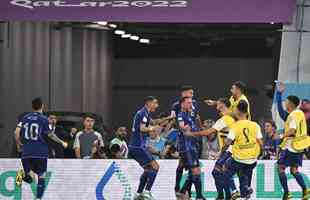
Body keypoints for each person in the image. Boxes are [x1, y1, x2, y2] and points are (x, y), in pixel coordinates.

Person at [14, 98, 68, 200]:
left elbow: (16, 133)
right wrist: (62, 142)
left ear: (32, 106)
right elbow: (51, 135)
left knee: (31, 176)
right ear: (42, 106)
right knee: (41, 177)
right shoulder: (44, 119)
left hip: (26, 152)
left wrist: (18, 146)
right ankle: (38, 198)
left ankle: (22, 174)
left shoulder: (24, 118)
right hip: (40, 152)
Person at [185, 98, 239, 200]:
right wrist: (220, 152)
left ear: (222, 105)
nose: (216, 106)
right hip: (229, 149)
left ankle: (230, 193)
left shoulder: (224, 120)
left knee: (218, 172)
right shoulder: (231, 117)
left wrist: (191, 134)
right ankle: (226, 195)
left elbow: (208, 132)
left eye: (217, 104)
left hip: (230, 150)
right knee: (221, 172)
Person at [129, 96, 172, 200]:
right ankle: (147, 192)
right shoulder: (143, 113)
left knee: (148, 169)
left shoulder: (144, 113)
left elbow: (153, 122)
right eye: (155, 103)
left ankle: (139, 193)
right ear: (149, 103)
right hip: (138, 146)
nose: (157, 106)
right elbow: (142, 128)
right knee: (155, 167)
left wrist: (168, 118)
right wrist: (153, 129)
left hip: (134, 146)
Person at [221, 100, 263, 199]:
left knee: (225, 169)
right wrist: (259, 154)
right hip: (252, 159)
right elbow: (261, 143)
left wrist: (222, 152)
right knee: (244, 177)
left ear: (238, 111)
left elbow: (227, 143)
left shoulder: (236, 126)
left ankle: (234, 191)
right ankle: (245, 190)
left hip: (239, 159)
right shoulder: (255, 125)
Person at [171, 85, 202, 198]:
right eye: (190, 93)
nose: (192, 96)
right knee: (183, 164)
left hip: (193, 137)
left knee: (192, 167)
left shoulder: (194, 104)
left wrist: (200, 127)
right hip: (183, 138)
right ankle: (178, 187)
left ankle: (186, 189)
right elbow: (174, 119)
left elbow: (196, 117)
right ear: (184, 94)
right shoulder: (177, 106)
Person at [277, 95, 310, 200]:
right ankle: (305, 191)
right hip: (299, 146)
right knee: (294, 170)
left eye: (286, 101)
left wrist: (281, 136)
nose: (285, 103)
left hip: (291, 146)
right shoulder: (300, 113)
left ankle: (287, 194)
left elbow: (292, 130)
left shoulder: (292, 115)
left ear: (290, 103)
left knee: (280, 168)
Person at [176, 97, 205, 200]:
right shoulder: (181, 115)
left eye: (191, 103)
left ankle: (184, 191)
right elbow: (182, 127)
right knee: (196, 171)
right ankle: (198, 196)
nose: (190, 105)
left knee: (195, 172)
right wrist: (187, 130)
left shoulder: (189, 115)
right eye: (188, 103)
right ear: (182, 104)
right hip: (187, 148)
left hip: (192, 147)